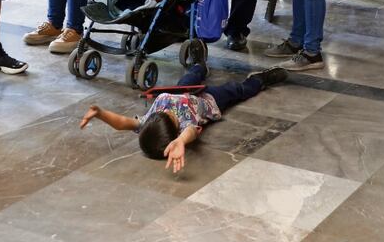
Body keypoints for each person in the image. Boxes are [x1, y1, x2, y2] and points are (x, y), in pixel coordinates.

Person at [79, 63, 288, 172]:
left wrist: (101, 114)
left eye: (163, 113)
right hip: (210, 99)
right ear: (176, 129)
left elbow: (124, 123)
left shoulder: (149, 120)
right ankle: (260, 79)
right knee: (236, 90)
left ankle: (199, 65)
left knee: (190, 76)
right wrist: (180, 141)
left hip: (182, 90)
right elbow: (191, 133)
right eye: (170, 117)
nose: (165, 111)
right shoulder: (185, 125)